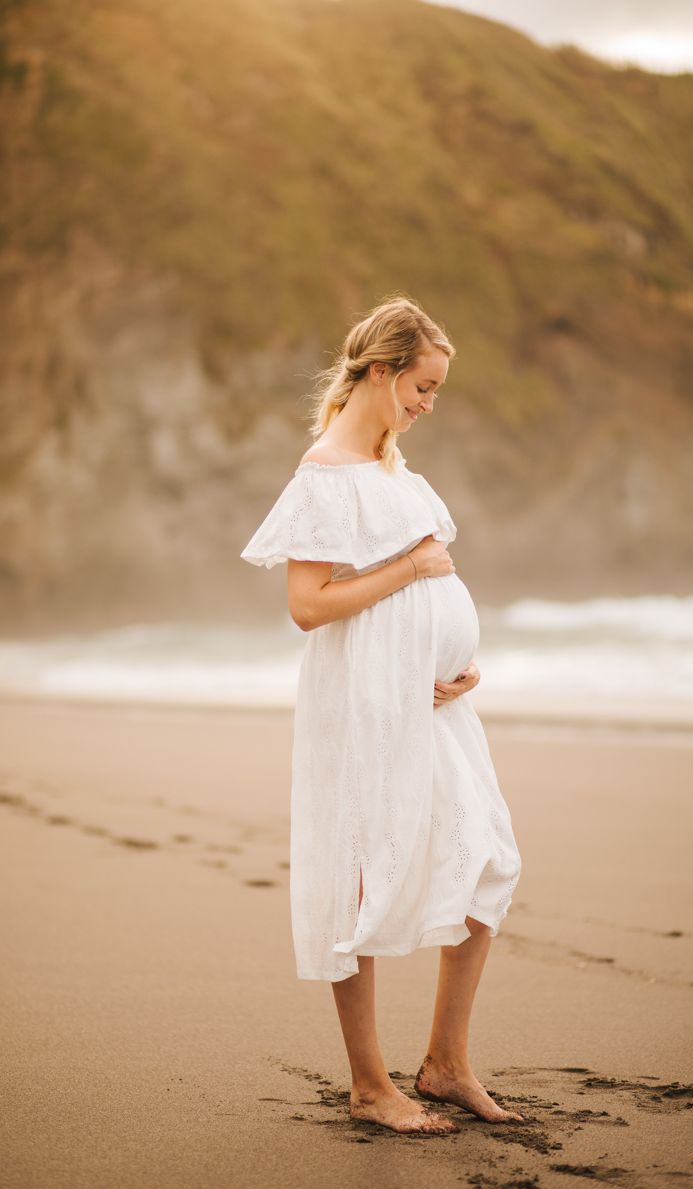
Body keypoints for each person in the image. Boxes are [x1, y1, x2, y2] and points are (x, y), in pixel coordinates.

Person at [242, 298, 522, 1134]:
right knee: (360, 876)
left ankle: (444, 1064)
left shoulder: (397, 469)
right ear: (380, 370)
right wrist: (410, 569)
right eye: (423, 387)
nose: (428, 405)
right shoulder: (325, 473)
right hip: (362, 704)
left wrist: (457, 665)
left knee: (488, 858)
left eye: (435, 391)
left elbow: (433, 586)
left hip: (430, 706)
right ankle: (370, 1086)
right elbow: (307, 606)